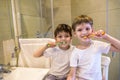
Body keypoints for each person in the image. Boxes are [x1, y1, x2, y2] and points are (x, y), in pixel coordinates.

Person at [67, 15, 120, 80]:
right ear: (75, 33)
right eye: (80, 30)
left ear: (92, 30)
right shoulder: (75, 53)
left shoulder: (98, 45)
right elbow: (72, 75)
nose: (84, 32)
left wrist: (105, 36)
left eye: (87, 29)